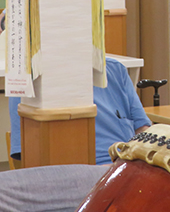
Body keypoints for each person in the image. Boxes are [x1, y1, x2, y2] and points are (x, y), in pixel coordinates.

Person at [9, 57, 151, 165]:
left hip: (128, 166)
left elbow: (143, 129)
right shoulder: (28, 79)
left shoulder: (115, 69)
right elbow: (27, 161)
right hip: (77, 174)